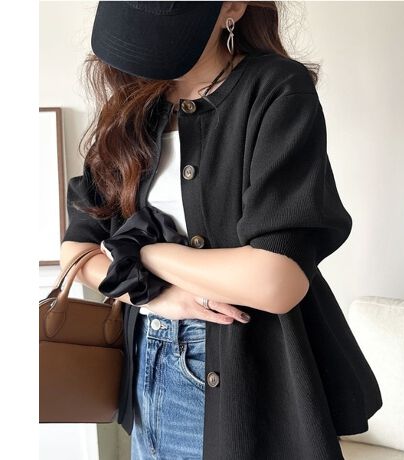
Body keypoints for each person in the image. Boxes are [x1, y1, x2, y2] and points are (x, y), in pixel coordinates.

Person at [60, 2, 383, 459]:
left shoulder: (275, 88)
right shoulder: (131, 109)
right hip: (145, 364)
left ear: (231, 6)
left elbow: (276, 281)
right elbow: (76, 250)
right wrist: (152, 296)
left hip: (240, 372)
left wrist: (148, 256)